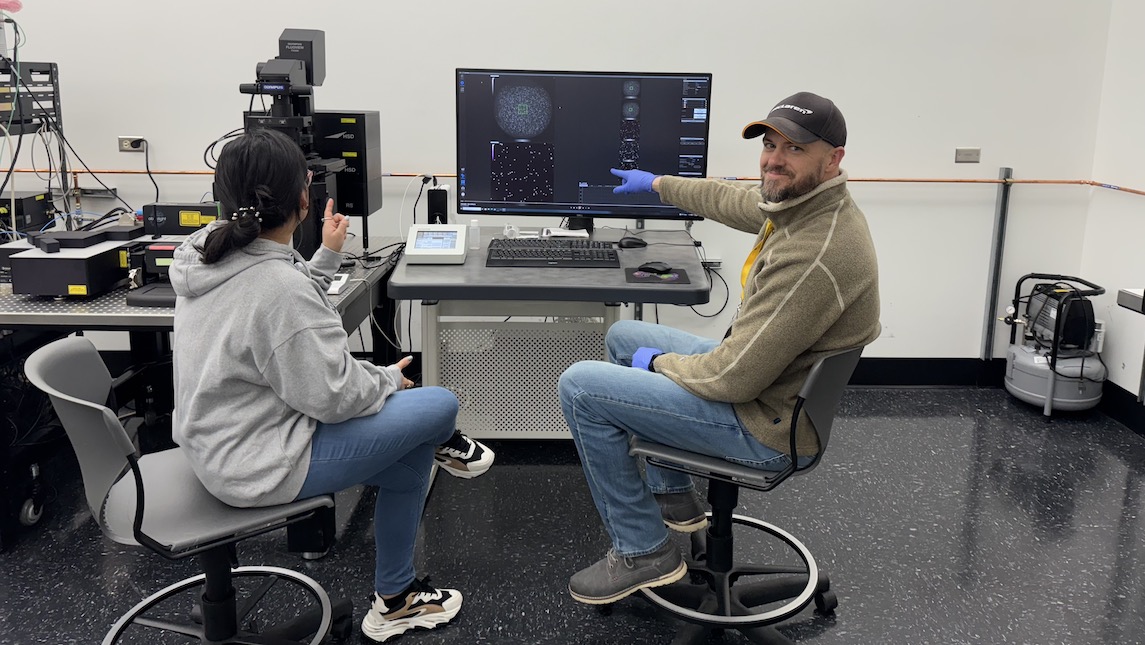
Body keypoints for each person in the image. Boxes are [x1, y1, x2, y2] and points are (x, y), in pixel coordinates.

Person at [169, 127, 494, 642]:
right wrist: (389, 379)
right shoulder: (277, 287)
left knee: (409, 460)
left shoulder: (206, 253)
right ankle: (448, 444)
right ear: (304, 198)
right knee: (439, 404)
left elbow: (283, 316)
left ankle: (397, 599)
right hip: (258, 461)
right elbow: (333, 395)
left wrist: (324, 256)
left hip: (217, 441)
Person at [558, 91, 880, 604]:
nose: (774, 159)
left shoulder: (814, 251)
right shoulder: (806, 205)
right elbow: (732, 200)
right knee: (623, 337)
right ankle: (675, 502)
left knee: (579, 387)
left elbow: (733, 378)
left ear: (833, 158)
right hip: (771, 389)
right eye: (770, 144)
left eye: (794, 149)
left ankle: (644, 551)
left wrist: (660, 364)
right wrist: (658, 184)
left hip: (765, 425)